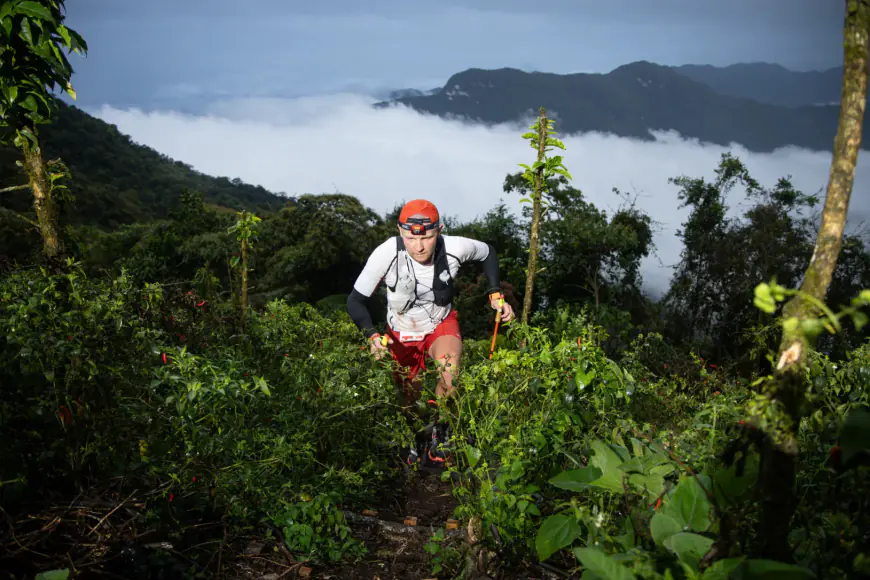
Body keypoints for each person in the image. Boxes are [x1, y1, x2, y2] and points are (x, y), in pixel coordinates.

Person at [346, 199, 515, 465]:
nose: (420, 246)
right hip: (401, 332)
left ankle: (441, 429)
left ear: (439, 230)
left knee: (450, 373)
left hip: (440, 323)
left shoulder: (454, 247)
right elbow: (354, 300)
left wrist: (494, 292)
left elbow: (488, 252)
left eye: (427, 237)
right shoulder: (387, 252)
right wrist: (372, 336)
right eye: (412, 239)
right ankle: (412, 437)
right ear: (401, 232)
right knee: (408, 397)